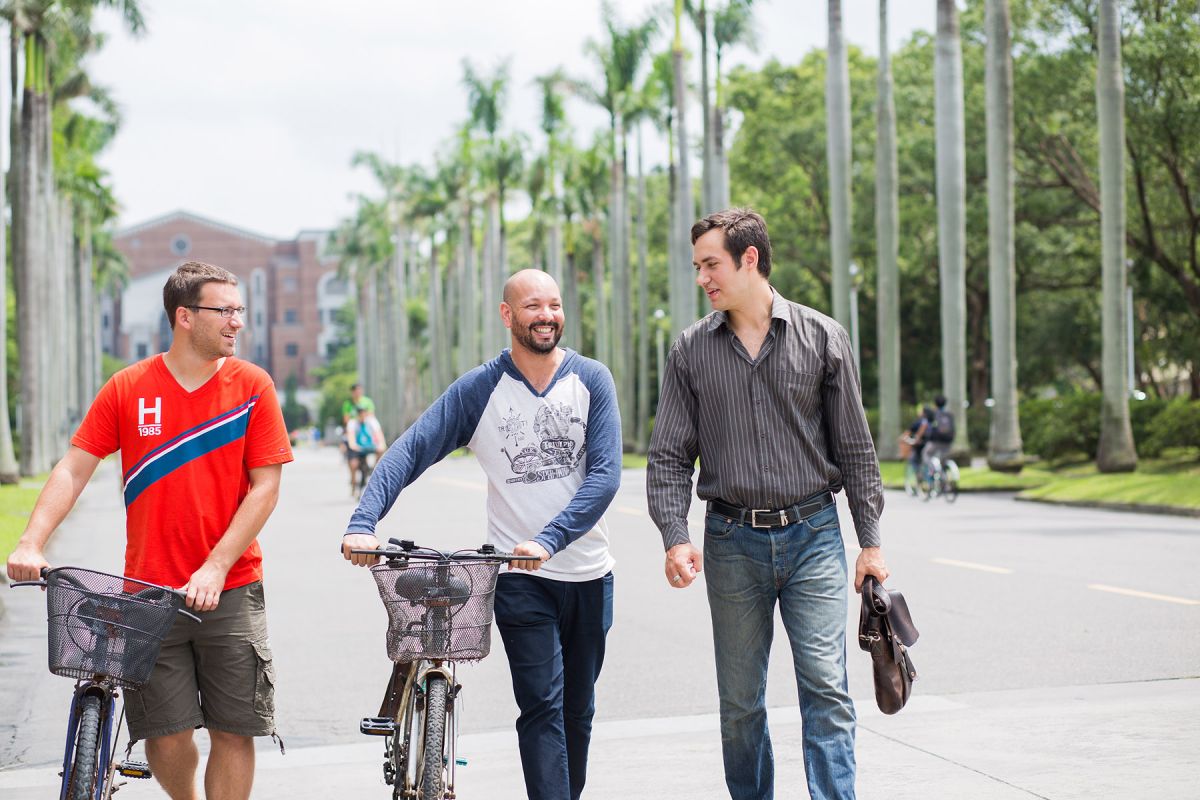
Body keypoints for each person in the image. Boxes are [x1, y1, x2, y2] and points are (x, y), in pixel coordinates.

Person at [6, 261, 293, 800]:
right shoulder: (129, 388)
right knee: (165, 732)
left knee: (236, 728)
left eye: (240, 310)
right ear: (184, 316)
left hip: (230, 588)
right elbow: (73, 468)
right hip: (148, 592)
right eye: (224, 310)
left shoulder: (252, 385)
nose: (237, 322)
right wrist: (30, 540)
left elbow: (265, 489)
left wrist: (215, 564)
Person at [341, 269, 621, 800]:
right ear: (507, 314)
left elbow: (606, 475)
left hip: (588, 572)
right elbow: (410, 450)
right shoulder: (481, 390)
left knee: (578, 712)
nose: (547, 316)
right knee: (542, 705)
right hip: (520, 578)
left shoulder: (592, 380)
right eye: (533, 306)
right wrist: (363, 523)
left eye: (555, 305)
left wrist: (551, 539)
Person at [646, 209, 888, 800]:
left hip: (815, 535)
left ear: (749, 259)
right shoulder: (690, 351)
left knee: (827, 688)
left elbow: (855, 446)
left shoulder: (823, 336)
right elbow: (669, 456)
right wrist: (676, 536)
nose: (702, 277)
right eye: (698, 266)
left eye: (711, 264)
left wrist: (871, 542)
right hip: (732, 544)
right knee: (740, 704)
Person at [342, 383, 375, 494]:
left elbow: (371, 417)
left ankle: (374, 471)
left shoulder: (367, 402)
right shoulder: (348, 404)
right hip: (352, 434)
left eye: (359, 390)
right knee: (352, 462)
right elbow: (346, 420)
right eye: (356, 391)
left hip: (365, 434)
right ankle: (353, 479)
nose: (358, 393)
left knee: (379, 451)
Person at [345, 405, 385, 498]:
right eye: (360, 413)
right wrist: (353, 445)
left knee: (381, 451)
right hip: (357, 447)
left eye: (363, 413)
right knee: (353, 464)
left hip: (368, 446)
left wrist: (381, 444)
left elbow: (379, 434)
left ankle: (374, 469)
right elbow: (351, 437)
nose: (362, 415)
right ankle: (354, 482)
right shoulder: (352, 423)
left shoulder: (372, 422)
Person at [921, 394, 955, 473]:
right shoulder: (949, 415)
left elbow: (926, 427)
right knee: (943, 460)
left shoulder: (933, 414)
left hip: (935, 441)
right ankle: (943, 478)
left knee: (926, 454)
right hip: (948, 441)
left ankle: (933, 470)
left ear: (935, 403)